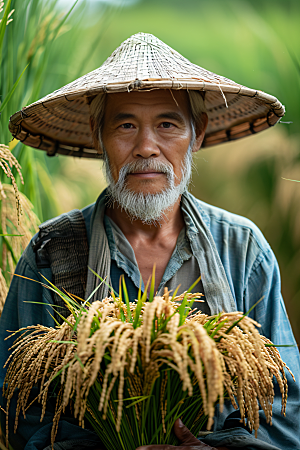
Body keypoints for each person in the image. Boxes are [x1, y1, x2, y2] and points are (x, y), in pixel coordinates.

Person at [0, 32, 299, 450]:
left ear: (197, 134)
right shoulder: (53, 252)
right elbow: (19, 407)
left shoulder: (242, 250)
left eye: (167, 124)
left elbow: (285, 410)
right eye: (125, 125)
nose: (146, 148)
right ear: (98, 134)